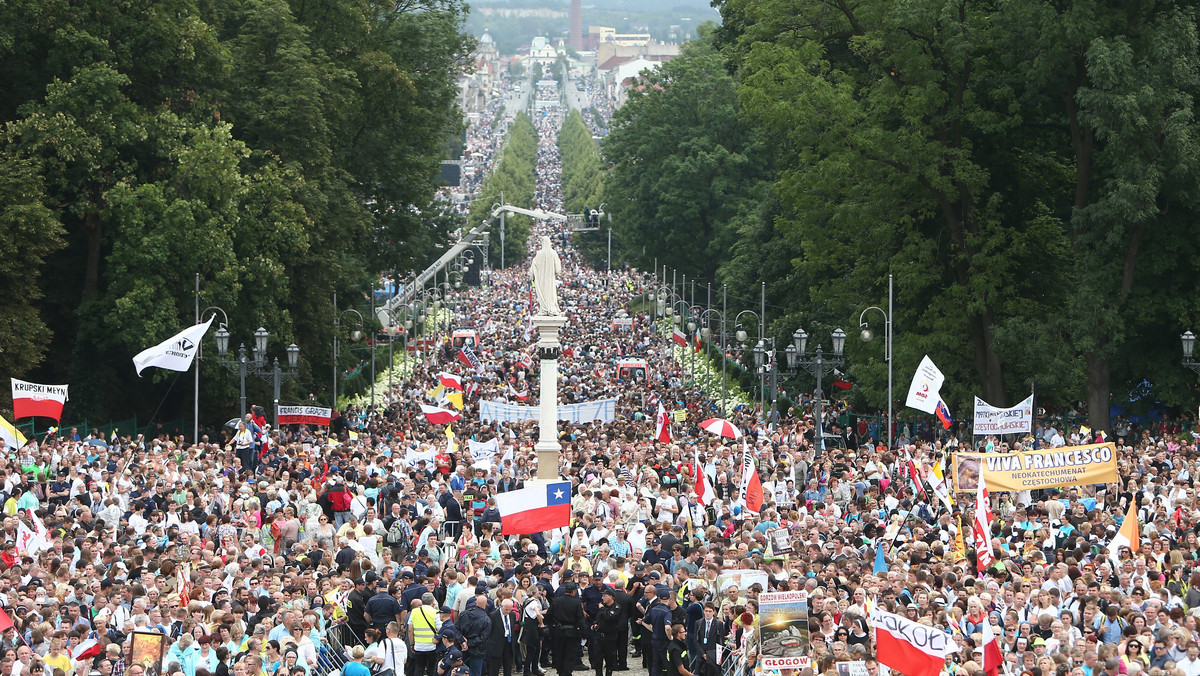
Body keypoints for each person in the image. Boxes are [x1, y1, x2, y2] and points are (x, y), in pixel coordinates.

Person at [549, 583, 586, 676]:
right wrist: (584, 633)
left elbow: (549, 615)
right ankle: (567, 672)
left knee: (560, 652)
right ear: (574, 592)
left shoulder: (557, 601)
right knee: (570, 653)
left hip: (559, 631)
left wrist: (553, 627)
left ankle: (561, 671)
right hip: (572, 632)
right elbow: (580, 619)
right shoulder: (576, 602)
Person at [591, 589, 623, 676]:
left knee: (610, 659)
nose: (602, 598)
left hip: (610, 636)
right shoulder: (603, 606)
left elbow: (609, 618)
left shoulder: (616, 607)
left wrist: (602, 609)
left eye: (605, 596)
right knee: (597, 658)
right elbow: (598, 617)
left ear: (611, 597)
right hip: (599, 636)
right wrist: (595, 624)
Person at [486, 599, 518, 676]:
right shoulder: (493, 616)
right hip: (496, 643)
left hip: (509, 642)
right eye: (506, 609)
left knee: (508, 666)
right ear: (501, 606)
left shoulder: (512, 615)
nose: (508, 611)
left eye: (510, 609)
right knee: (494, 668)